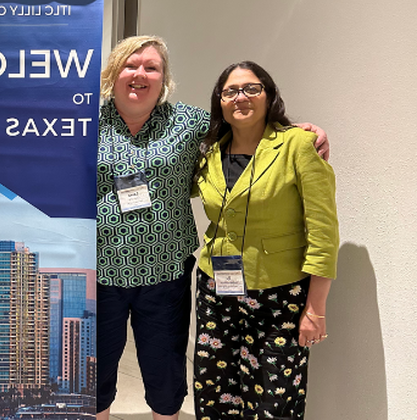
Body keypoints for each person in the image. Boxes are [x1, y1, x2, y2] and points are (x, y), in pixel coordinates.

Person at [95, 36, 328, 420]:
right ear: (113, 73)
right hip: (99, 269)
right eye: (130, 65)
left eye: (151, 67)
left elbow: (247, 127)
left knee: (165, 369)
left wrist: (303, 129)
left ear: (164, 78)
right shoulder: (83, 122)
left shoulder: (191, 123)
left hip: (165, 272)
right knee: (95, 367)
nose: (140, 74)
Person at [192, 61, 338, 419]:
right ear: (220, 102)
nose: (240, 97)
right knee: (214, 391)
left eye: (251, 88)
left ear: (269, 95)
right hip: (216, 288)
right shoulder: (209, 153)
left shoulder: (298, 145)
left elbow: (323, 232)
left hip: (279, 293)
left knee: (274, 399)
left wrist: (316, 308)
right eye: (230, 91)